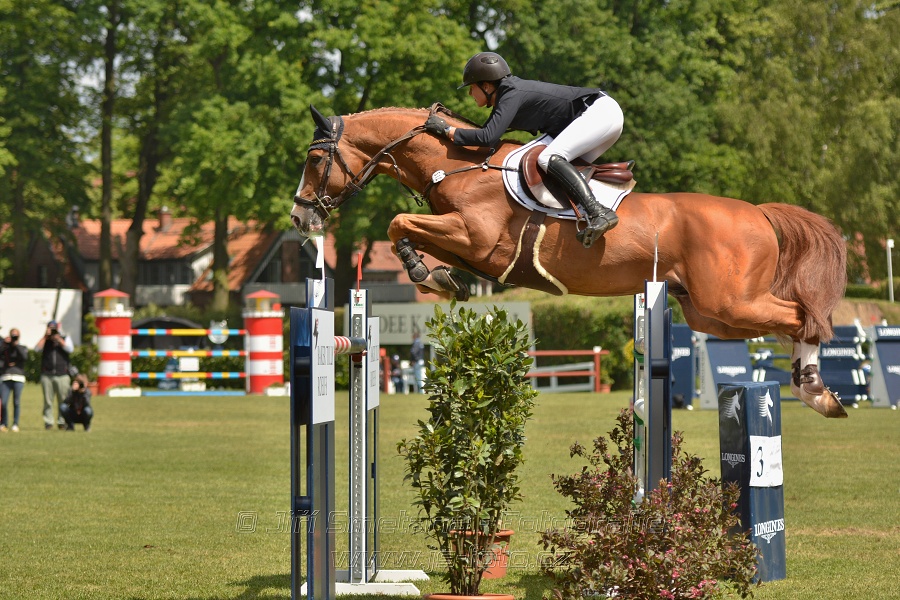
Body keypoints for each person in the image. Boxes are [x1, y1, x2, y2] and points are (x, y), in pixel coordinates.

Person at [423, 51, 624, 248]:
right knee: (553, 166)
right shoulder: (508, 94)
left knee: (548, 157)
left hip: (600, 113)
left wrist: (447, 130)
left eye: (471, 87)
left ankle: (598, 212)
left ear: (486, 85)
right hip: (598, 116)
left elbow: (487, 137)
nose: (469, 93)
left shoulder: (510, 93)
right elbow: (487, 134)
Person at [34, 320, 74, 430]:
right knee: (48, 400)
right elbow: (36, 349)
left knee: (63, 400)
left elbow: (70, 349)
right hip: (47, 375)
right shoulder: (45, 340)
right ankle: (48, 422)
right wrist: (45, 337)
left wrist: (59, 339)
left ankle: (62, 421)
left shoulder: (64, 338)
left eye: (54, 329)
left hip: (62, 374)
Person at [0, 328, 28, 433]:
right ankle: (4, 423)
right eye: (12, 335)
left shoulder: (21, 347)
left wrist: (16, 344)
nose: (14, 337)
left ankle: (15, 424)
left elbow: (25, 357)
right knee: (4, 402)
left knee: (16, 402)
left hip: (18, 377)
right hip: (6, 377)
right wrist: (4, 344)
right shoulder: (5, 348)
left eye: (16, 335)